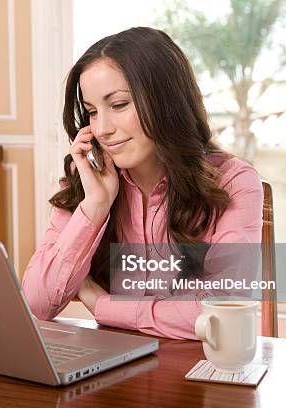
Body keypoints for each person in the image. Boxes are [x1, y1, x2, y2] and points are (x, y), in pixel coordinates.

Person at [22, 27, 263, 340]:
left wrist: (102, 304)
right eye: (93, 112)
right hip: (114, 371)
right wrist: (95, 206)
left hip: (197, 373)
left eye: (119, 105)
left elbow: (222, 309)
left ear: (167, 101)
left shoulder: (235, 182)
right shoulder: (89, 184)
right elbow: (35, 304)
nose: (102, 128)